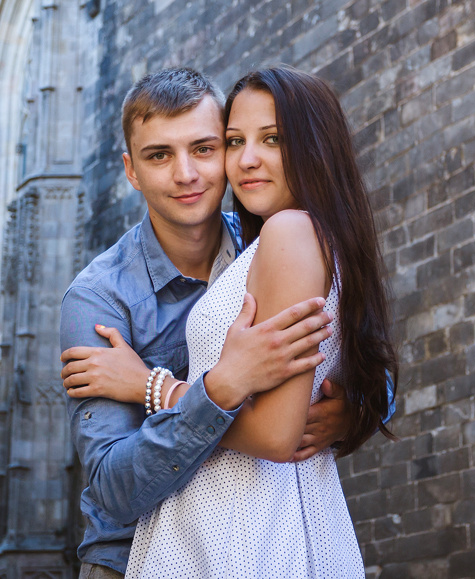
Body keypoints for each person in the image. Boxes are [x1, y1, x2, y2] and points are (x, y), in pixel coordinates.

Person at [94, 66, 399, 578]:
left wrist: (151, 386)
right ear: (132, 169)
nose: (248, 160)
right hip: (238, 518)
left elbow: (276, 437)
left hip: (246, 526)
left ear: (314, 148)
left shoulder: (290, 233)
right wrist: (359, 405)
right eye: (235, 141)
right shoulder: (288, 238)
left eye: (273, 139)